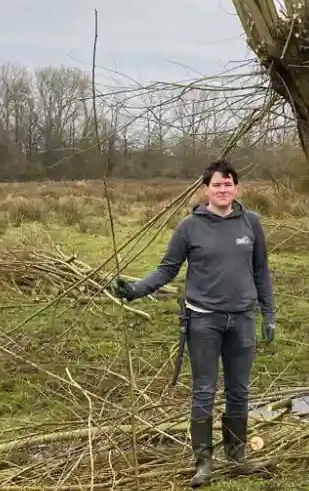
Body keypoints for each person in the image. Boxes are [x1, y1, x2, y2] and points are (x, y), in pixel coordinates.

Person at [112, 159, 276, 487]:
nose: (223, 190)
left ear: (236, 188)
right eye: (217, 185)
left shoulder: (251, 223)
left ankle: (237, 457)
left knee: (239, 390)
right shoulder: (189, 227)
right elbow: (167, 269)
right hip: (203, 320)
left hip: (242, 319)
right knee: (203, 390)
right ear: (205, 189)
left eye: (228, 184)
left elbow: (261, 271)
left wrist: (268, 314)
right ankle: (204, 463)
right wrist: (136, 290)